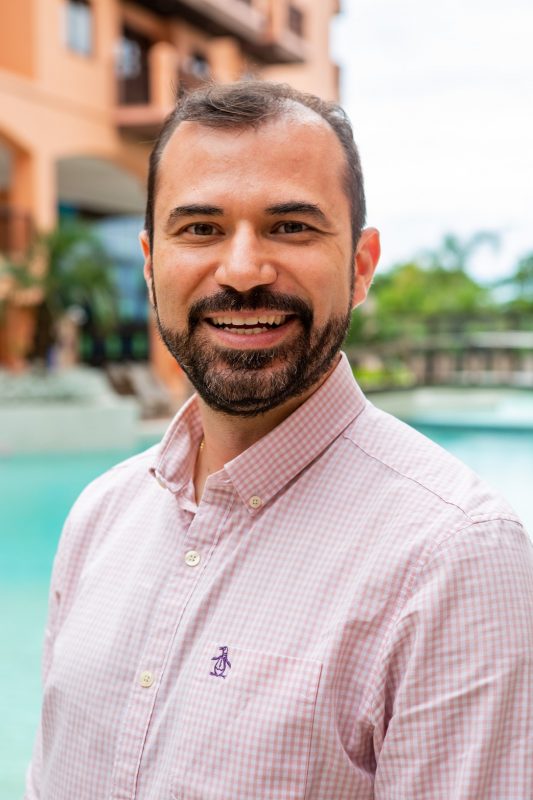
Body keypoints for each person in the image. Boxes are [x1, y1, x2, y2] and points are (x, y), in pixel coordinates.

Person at [26, 81, 533, 800]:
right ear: (149, 262)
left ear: (360, 267)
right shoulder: (99, 517)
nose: (241, 271)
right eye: (199, 229)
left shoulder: (453, 557)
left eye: (290, 227)